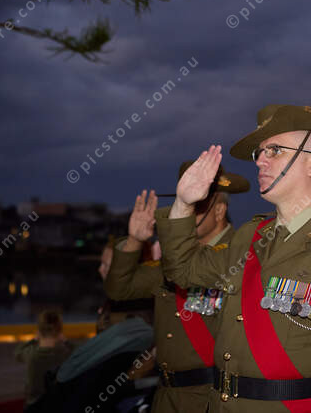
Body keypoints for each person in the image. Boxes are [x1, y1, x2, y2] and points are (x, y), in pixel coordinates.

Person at [157, 104, 311, 412]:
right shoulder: (249, 236)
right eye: (260, 152)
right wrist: (183, 204)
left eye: (275, 151)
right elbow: (182, 270)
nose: (259, 161)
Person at [104, 162, 250, 413]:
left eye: (196, 205)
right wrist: (135, 240)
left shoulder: (240, 257)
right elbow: (119, 289)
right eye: (184, 203)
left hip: (213, 397)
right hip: (166, 396)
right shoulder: (172, 263)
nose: (186, 211)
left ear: (219, 210)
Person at [14, 310, 74, 409]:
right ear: (59, 332)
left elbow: (17, 352)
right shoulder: (65, 354)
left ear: (39, 331)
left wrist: (34, 340)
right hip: (57, 406)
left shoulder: (30, 353)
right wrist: (66, 341)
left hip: (33, 407)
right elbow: (81, 352)